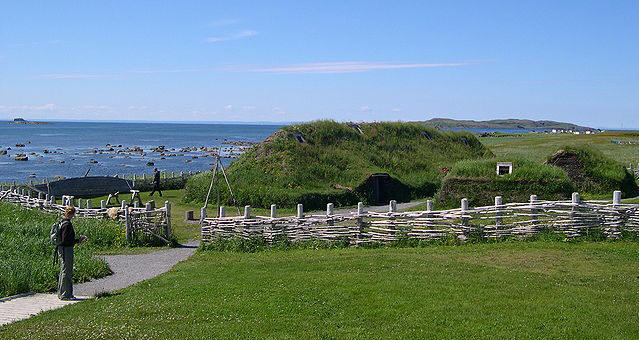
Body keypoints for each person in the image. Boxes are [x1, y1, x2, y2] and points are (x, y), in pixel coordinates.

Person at [57, 206, 87, 300]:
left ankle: (62, 293)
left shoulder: (62, 222)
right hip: (66, 250)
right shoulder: (67, 225)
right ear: (71, 214)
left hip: (62, 249)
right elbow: (66, 240)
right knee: (67, 271)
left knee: (63, 271)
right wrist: (78, 241)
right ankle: (66, 295)